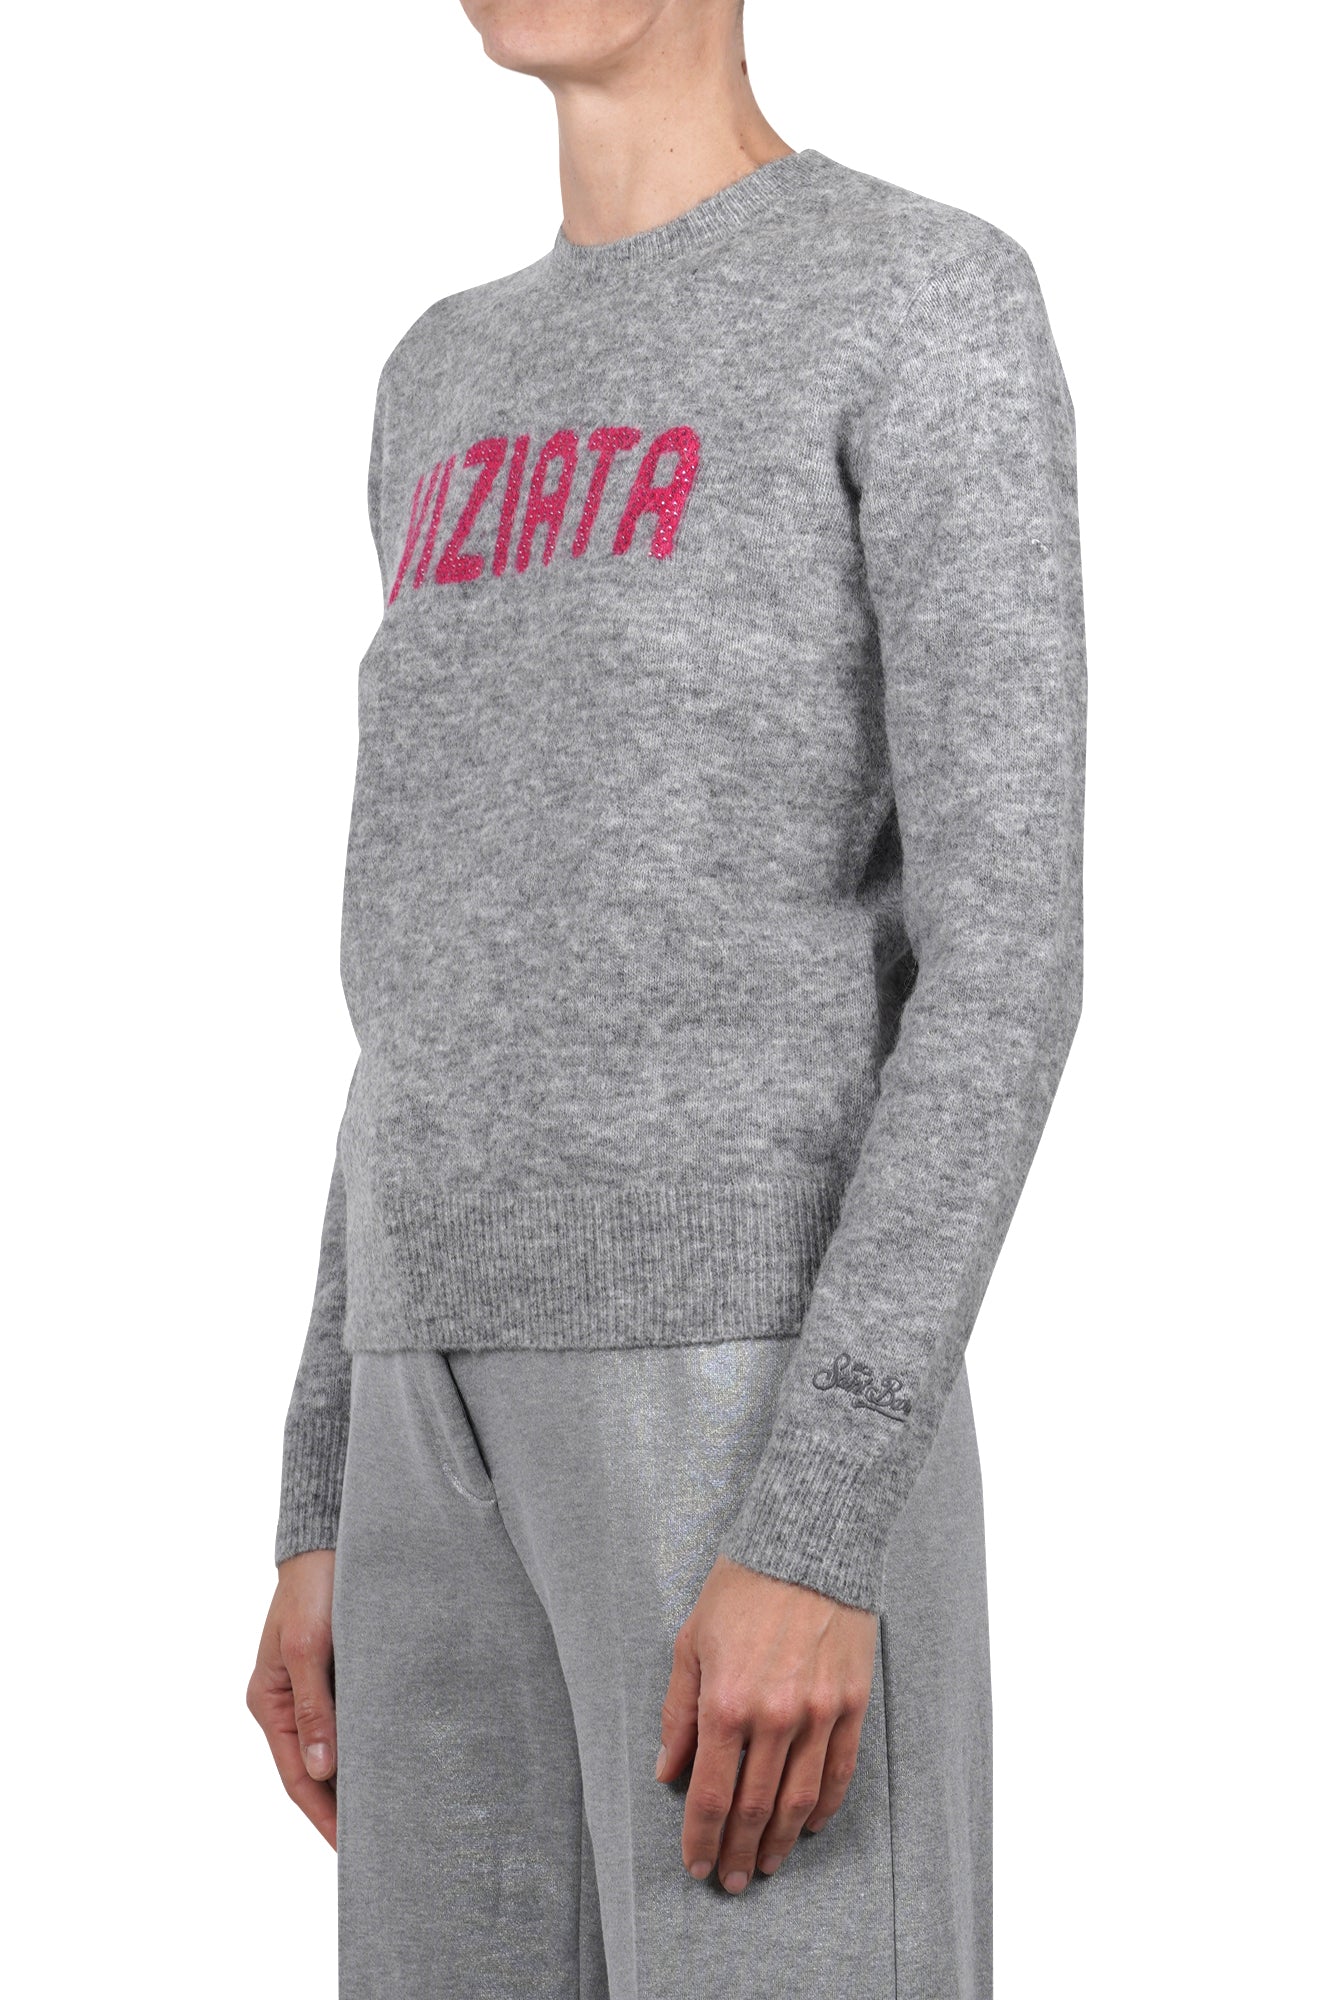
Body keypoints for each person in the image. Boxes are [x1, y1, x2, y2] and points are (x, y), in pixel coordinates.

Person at [246, 2, 1086, 1994]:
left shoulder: (915, 295)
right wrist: (321, 1485)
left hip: (741, 1394)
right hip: (422, 1421)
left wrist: (820, 1518)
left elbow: (1006, 953)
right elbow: (418, 960)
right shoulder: (440, 376)